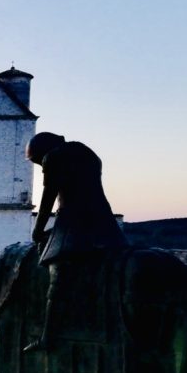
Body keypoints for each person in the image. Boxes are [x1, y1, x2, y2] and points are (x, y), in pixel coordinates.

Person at [23, 132, 127, 353]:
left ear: (44, 151)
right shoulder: (88, 153)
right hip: (103, 221)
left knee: (57, 270)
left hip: (76, 220)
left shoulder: (54, 157)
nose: (41, 166)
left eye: (37, 161)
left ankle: (48, 337)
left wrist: (38, 229)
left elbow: (49, 196)